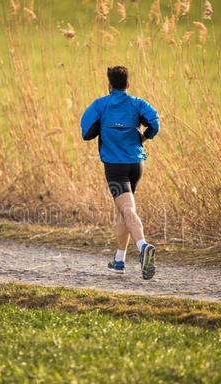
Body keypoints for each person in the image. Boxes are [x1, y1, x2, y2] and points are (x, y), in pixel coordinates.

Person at [80, 66, 160, 280]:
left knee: (127, 208)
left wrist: (102, 130)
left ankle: (143, 247)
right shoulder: (137, 103)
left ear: (109, 85)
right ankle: (119, 260)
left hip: (115, 166)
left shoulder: (101, 104)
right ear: (127, 84)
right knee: (124, 211)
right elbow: (154, 122)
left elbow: (85, 131)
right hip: (136, 165)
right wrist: (143, 138)